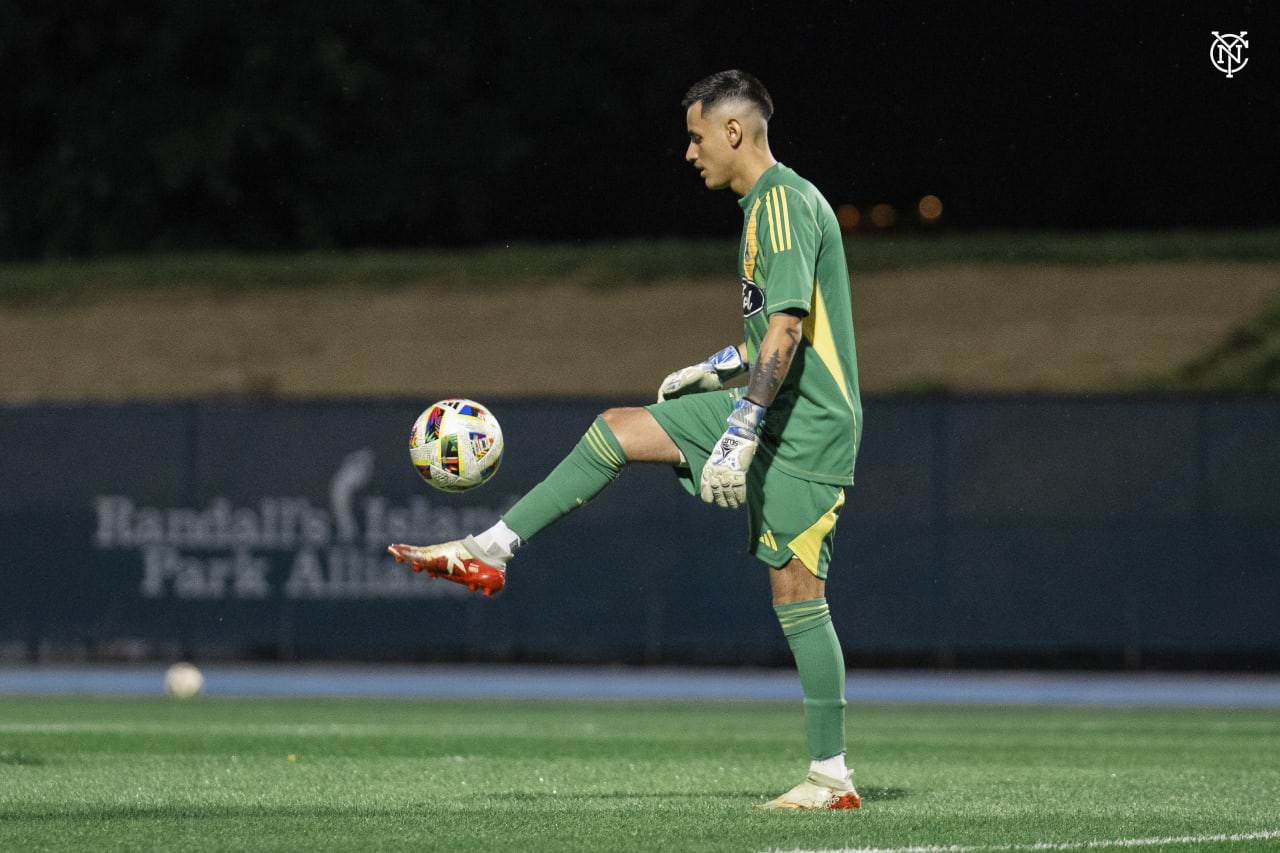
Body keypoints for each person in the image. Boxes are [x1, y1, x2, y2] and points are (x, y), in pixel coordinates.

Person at [390, 69, 863, 811]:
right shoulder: (770, 207)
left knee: (798, 593)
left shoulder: (780, 204)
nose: (690, 152)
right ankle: (491, 548)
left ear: (734, 132)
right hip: (768, 406)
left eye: (696, 136)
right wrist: (713, 374)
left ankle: (832, 777)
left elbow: (790, 330)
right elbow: (767, 335)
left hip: (804, 428)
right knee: (617, 430)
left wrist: (741, 425)